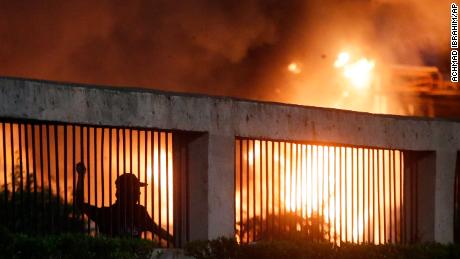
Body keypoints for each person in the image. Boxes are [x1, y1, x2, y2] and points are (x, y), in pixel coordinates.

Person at [75, 162, 173, 242]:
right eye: (136, 189)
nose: (139, 193)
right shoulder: (110, 214)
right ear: (128, 192)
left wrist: (80, 176)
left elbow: (158, 230)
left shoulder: (139, 213)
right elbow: (160, 232)